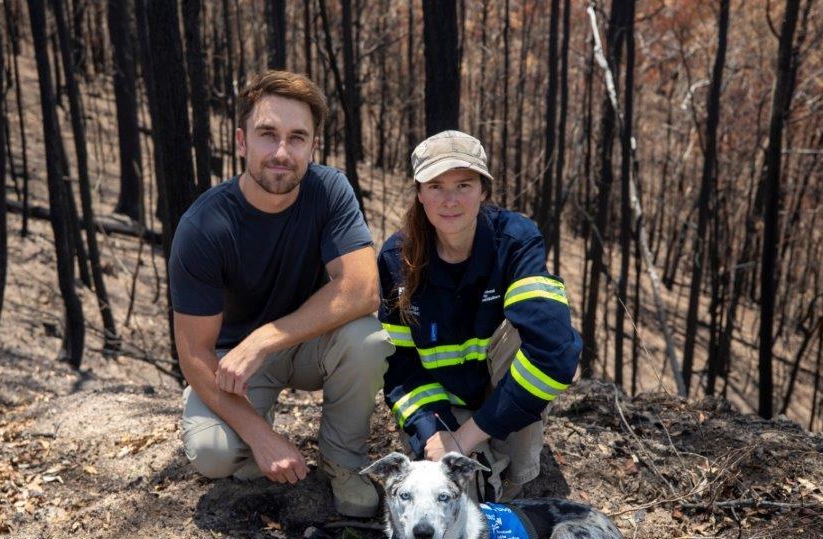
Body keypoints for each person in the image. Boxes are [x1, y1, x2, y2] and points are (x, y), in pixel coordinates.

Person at [169, 70, 393, 518]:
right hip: (240, 366)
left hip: (312, 345)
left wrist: (266, 337)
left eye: (297, 138)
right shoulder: (204, 227)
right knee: (213, 455)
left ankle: (342, 463)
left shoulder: (329, 191)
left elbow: (364, 290)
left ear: (313, 147)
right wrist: (260, 434)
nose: (281, 152)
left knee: (368, 339)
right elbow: (193, 352)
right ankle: (256, 437)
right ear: (241, 141)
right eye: (267, 134)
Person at [377, 130, 582, 502]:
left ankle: (513, 469)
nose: (450, 199)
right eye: (436, 185)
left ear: (484, 190)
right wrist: (433, 433)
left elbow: (556, 354)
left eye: (464, 184)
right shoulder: (397, 259)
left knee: (508, 491)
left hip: (502, 399)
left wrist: (469, 436)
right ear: (419, 193)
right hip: (443, 404)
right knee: (461, 497)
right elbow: (400, 367)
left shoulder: (516, 242)